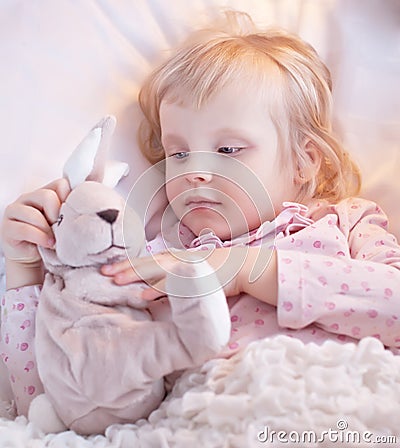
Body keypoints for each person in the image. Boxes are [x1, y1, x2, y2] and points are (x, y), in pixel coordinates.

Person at [1, 10, 399, 422]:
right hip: (206, 421)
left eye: (228, 150)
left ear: (304, 162)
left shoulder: (348, 223)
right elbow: (58, 392)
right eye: (179, 153)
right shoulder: (155, 256)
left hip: (339, 409)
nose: (195, 171)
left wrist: (246, 270)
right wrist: (24, 268)